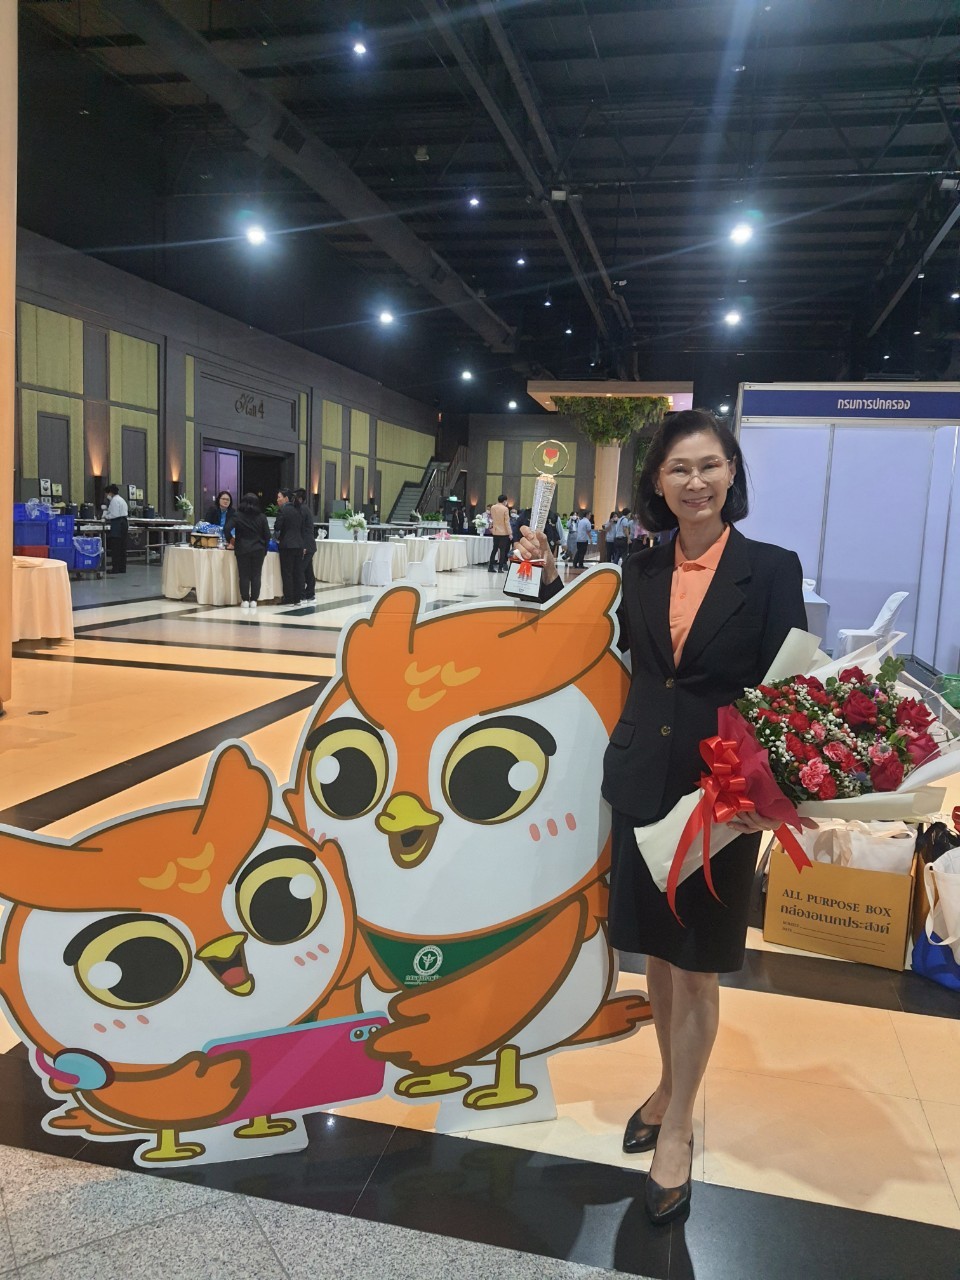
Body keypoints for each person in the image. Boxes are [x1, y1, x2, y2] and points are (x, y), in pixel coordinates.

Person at [516, 409, 805, 1225]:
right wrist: (545, 576)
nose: (696, 482)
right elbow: (590, 642)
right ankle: (669, 1085)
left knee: (699, 964)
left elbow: (789, 692)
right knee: (660, 963)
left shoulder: (770, 569)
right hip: (643, 778)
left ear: (732, 473)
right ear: (657, 482)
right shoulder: (636, 567)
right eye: (679, 468)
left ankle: (678, 1124)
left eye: (710, 466)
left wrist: (766, 793)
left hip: (722, 791)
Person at [227, 492, 270, 609]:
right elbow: (267, 535)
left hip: (242, 548)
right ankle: (254, 600)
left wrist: (231, 540)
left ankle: (245, 600)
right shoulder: (262, 517)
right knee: (256, 575)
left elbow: (226, 529)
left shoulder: (237, 516)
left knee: (244, 575)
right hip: (258, 549)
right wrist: (265, 549)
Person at [274, 488, 304, 605]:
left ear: (286, 498)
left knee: (287, 573)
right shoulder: (298, 509)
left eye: (279, 497)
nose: (277, 500)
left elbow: (277, 526)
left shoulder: (283, 510)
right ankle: (297, 598)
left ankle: (288, 598)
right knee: (297, 572)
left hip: (287, 545)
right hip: (299, 544)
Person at [101, 484, 129, 574]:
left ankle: (115, 568)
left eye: (107, 493)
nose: (106, 496)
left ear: (110, 493)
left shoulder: (114, 501)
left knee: (116, 547)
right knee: (122, 547)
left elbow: (114, 514)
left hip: (117, 524)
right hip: (124, 523)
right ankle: (122, 568)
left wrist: (105, 517)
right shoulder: (121, 499)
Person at [296, 488, 317, 601]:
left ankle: (302, 594)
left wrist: (303, 546)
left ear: (299, 498)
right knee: (308, 569)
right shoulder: (305, 509)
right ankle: (310, 593)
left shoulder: (302, 509)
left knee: (301, 569)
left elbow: (302, 529)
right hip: (310, 545)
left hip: (306, 545)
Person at [488, 493, 511, 573]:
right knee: (502, 550)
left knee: (494, 549)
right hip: (504, 532)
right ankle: (500, 568)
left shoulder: (493, 507)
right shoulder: (505, 509)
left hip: (495, 531)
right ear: (504, 501)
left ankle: (490, 567)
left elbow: (492, 518)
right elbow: (507, 522)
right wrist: (510, 533)